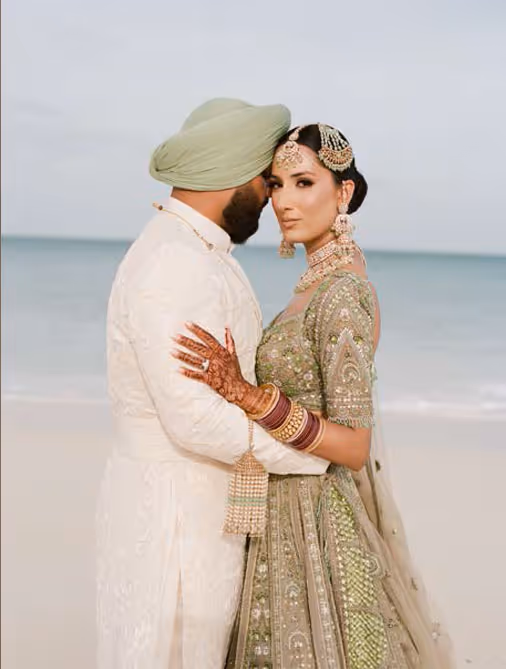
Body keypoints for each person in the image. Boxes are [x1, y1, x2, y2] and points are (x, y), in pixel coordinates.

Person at [174, 123, 455, 668]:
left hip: (319, 521)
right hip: (281, 508)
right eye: (276, 185)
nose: (284, 201)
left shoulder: (343, 293)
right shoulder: (313, 287)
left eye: (304, 182)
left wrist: (250, 397)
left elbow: (353, 446)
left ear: (343, 192)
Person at [96, 102, 330, 669]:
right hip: (175, 517)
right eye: (266, 180)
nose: (271, 196)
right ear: (233, 174)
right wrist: (316, 453)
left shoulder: (201, 250)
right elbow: (194, 418)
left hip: (199, 505)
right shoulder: (174, 261)